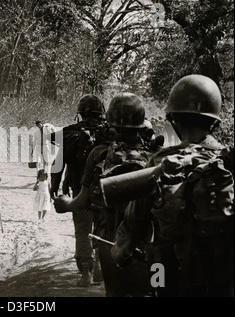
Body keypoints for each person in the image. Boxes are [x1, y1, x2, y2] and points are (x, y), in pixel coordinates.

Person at [111, 74, 234, 297]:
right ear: (214, 120)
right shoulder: (228, 163)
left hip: (164, 272)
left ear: (173, 119)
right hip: (221, 276)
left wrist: (121, 253)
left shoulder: (160, 163)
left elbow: (132, 227)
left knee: (156, 283)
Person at [54, 92, 155, 296]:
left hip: (109, 238)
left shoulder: (99, 152)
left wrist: (63, 203)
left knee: (115, 290)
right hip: (147, 246)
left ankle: (86, 270)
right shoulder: (157, 156)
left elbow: (80, 198)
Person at [50, 94, 109, 287]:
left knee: (82, 230)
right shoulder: (110, 133)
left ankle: (86, 272)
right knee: (103, 227)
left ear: (81, 113)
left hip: (78, 188)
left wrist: (54, 186)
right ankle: (100, 266)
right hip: (105, 189)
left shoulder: (69, 134)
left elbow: (58, 165)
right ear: (101, 112)